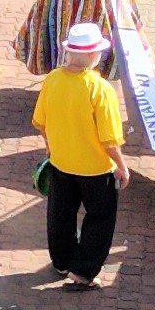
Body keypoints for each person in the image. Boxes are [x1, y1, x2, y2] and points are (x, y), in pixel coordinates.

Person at [35, 21, 127, 287]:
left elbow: (41, 122)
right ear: (92, 54)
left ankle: (62, 262)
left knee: (60, 214)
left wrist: (51, 146)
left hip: (61, 162)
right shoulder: (100, 89)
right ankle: (83, 271)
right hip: (96, 169)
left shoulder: (53, 80)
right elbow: (109, 139)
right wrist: (121, 166)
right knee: (100, 218)